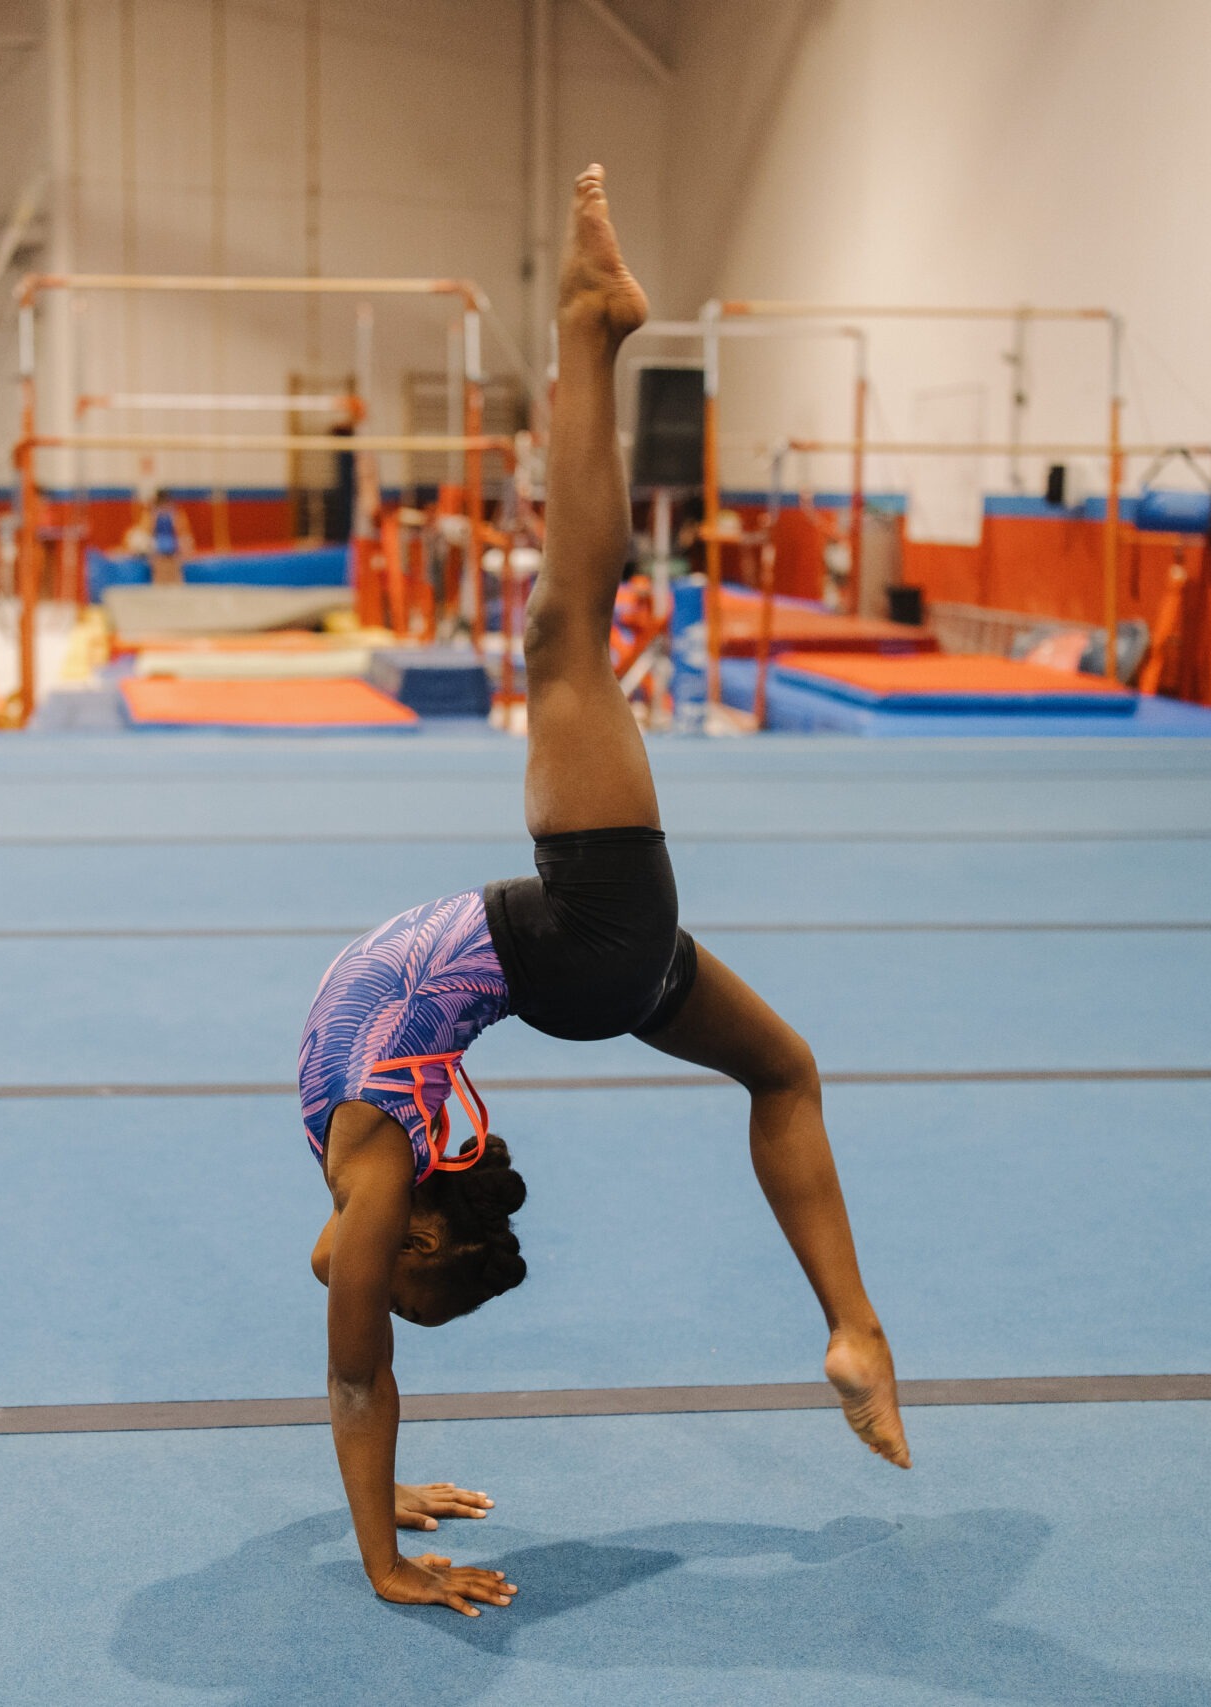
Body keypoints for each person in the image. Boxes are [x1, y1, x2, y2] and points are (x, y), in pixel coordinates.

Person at [298, 167, 910, 1621]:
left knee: (784, 1065)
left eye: (402, 1286)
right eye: (401, 1279)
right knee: (562, 628)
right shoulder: (384, 1161)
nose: (369, 1280)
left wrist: (382, 1530)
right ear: (432, 1228)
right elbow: (354, 1343)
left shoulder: (387, 1169)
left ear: (432, 1234)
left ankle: (856, 1327)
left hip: (590, 955)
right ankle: (588, 328)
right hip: (585, 950)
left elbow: (349, 1352)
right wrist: (380, 1512)